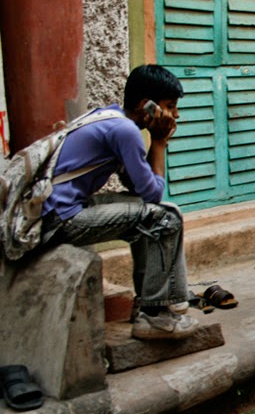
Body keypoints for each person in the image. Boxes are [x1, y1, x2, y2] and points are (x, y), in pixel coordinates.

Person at [40, 64, 197, 341]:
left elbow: (137, 187)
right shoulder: (125, 130)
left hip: (57, 213)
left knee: (159, 214)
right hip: (61, 221)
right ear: (145, 105)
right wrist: (159, 142)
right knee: (164, 218)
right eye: (170, 106)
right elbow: (153, 194)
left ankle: (153, 305)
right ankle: (156, 317)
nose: (175, 115)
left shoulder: (109, 117)